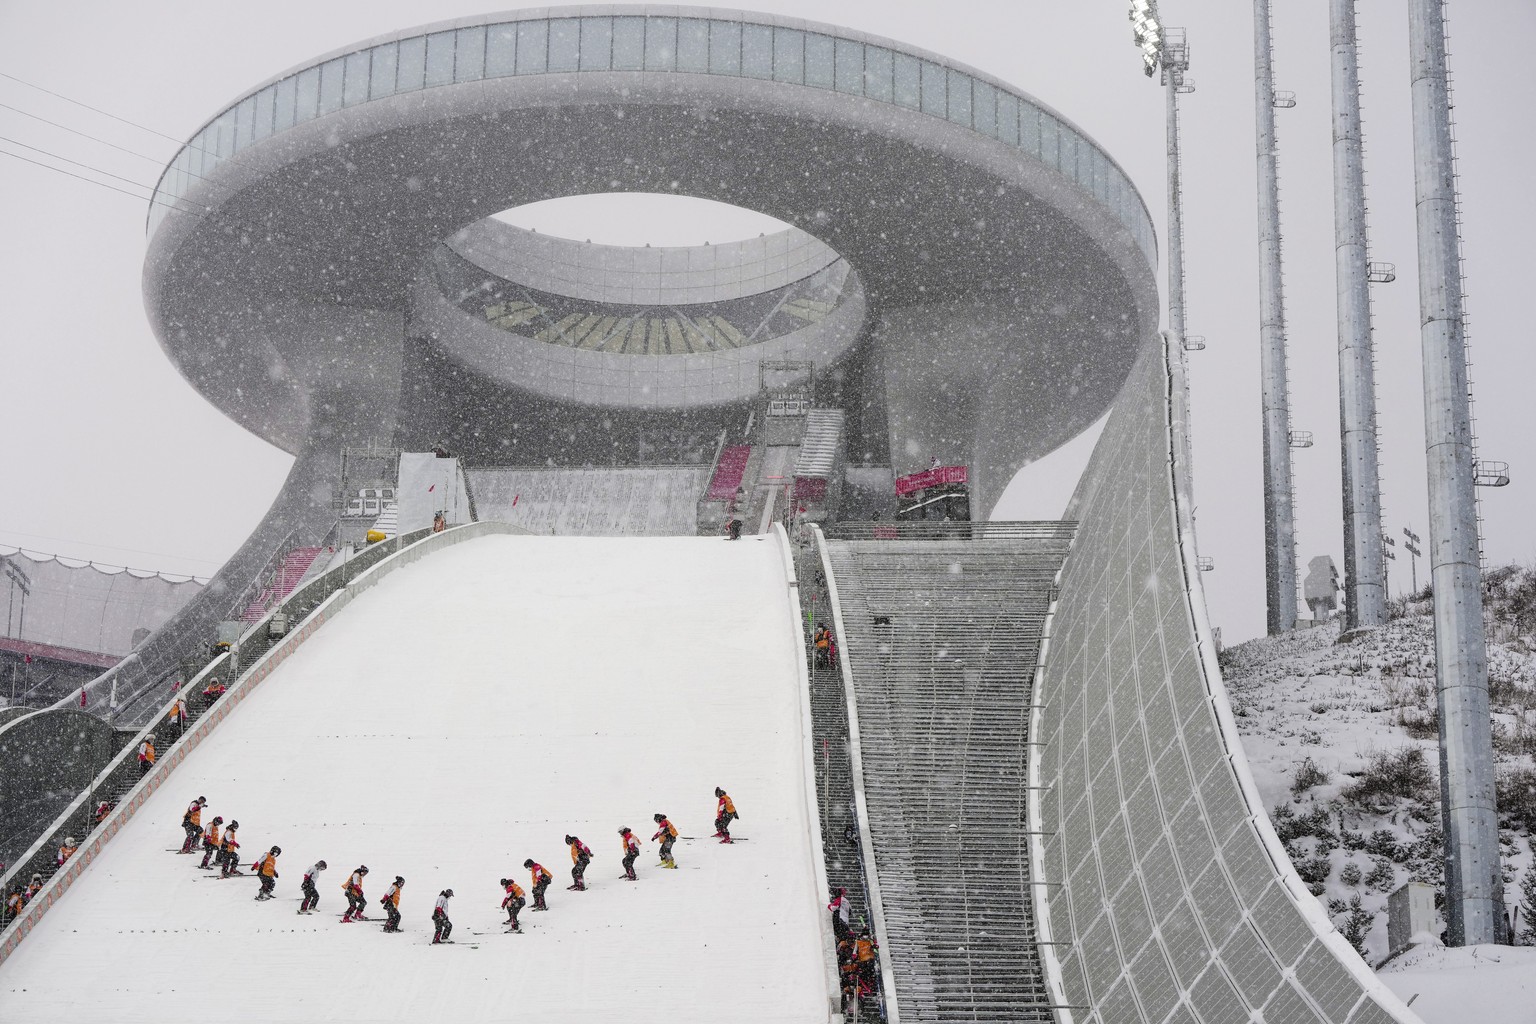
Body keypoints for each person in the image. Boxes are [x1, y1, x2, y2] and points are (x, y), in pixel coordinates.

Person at [853, 928, 879, 993]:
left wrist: (875, 946)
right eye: (864, 935)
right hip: (862, 959)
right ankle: (866, 983)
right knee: (864, 972)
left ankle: (872, 983)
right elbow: (855, 949)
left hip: (870, 958)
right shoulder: (858, 941)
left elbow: (875, 946)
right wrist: (854, 955)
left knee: (870, 971)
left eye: (867, 935)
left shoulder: (870, 941)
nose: (865, 936)